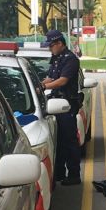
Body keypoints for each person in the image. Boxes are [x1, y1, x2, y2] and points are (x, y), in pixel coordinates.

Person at [40, 29, 83, 185]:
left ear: (59, 43)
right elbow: (51, 77)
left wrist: (45, 87)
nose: (49, 49)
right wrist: (39, 84)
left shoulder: (70, 59)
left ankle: (73, 175)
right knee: (59, 141)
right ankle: (58, 173)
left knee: (69, 140)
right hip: (55, 104)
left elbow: (62, 80)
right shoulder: (57, 58)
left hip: (66, 106)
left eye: (51, 46)